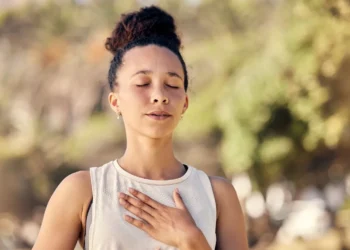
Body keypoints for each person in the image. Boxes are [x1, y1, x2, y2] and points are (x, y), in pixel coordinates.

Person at [32, 5, 248, 250]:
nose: (159, 95)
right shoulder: (83, 190)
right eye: (143, 83)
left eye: (173, 85)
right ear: (115, 102)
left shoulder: (218, 195)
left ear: (185, 103)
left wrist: (192, 240)